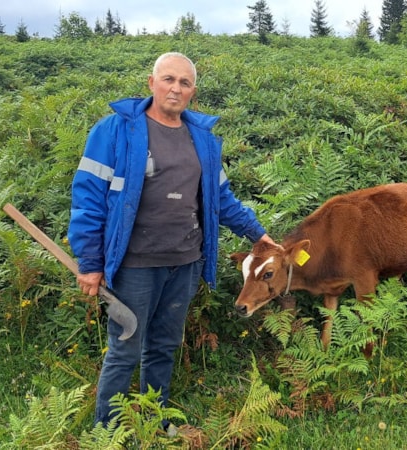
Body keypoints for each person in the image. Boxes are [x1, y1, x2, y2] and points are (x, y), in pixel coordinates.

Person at [68, 51, 274, 427]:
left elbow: (221, 200)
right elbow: (88, 201)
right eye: (168, 79)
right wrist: (90, 263)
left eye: (184, 82)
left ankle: (154, 418)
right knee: (125, 347)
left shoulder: (202, 140)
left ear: (193, 91)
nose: (175, 88)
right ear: (151, 83)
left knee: (164, 346)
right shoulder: (114, 131)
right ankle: (107, 430)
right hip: (134, 265)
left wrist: (259, 235)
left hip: (185, 262)